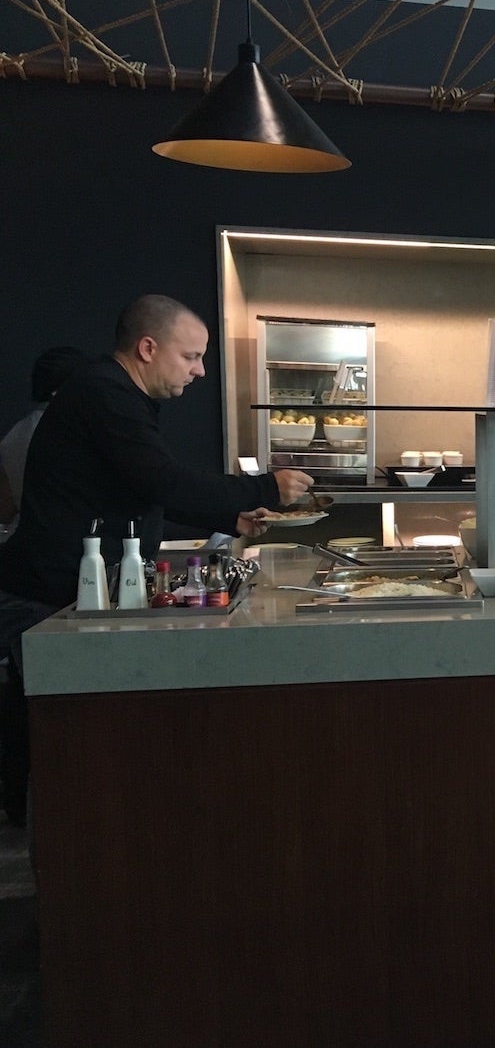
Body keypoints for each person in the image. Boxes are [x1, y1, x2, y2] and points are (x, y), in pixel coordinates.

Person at [0, 294, 313, 825]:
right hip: (46, 598)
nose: (199, 370)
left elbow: (132, 506)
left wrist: (226, 521)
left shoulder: (113, 393)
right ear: (148, 348)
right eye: (190, 356)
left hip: (70, 591)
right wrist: (264, 486)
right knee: (64, 756)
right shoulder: (105, 392)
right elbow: (162, 480)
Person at [0, 346, 88, 542]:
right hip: (63, 551)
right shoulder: (75, 432)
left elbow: (5, 508)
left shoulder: (19, 432)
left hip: (25, 545)